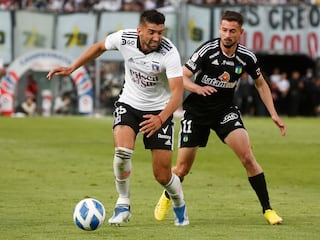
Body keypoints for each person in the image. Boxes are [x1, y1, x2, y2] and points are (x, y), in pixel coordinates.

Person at [47, 10, 189, 226]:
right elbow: (98, 47)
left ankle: (179, 202)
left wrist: (160, 119)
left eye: (160, 32)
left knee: (162, 175)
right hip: (129, 104)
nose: (157, 38)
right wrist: (72, 68)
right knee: (122, 152)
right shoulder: (124, 38)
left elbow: (177, 93)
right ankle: (123, 204)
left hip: (159, 111)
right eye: (152, 32)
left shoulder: (169, 53)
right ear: (140, 30)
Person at [154, 10, 286, 225]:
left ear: (240, 32)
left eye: (232, 31)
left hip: (225, 111)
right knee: (182, 169)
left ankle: (268, 210)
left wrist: (274, 114)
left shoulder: (247, 57)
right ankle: (168, 195)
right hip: (197, 113)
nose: (227, 35)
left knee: (248, 158)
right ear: (220, 30)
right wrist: (197, 88)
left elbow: (260, 84)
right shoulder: (207, 50)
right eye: (224, 30)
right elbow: (181, 77)